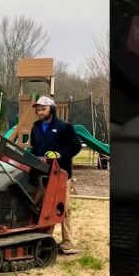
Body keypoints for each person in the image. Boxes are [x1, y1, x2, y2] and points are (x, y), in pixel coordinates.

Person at [27, 95, 82, 255]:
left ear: (51, 109)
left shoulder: (64, 127)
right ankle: (43, 238)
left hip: (61, 174)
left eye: (43, 109)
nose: (40, 112)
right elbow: (34, 147)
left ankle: (67, 241)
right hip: (41, 174)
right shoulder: (35, 127)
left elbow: (75, 147)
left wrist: (59, 154)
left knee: (62, 207)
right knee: (41, 206)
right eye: (38, 110)